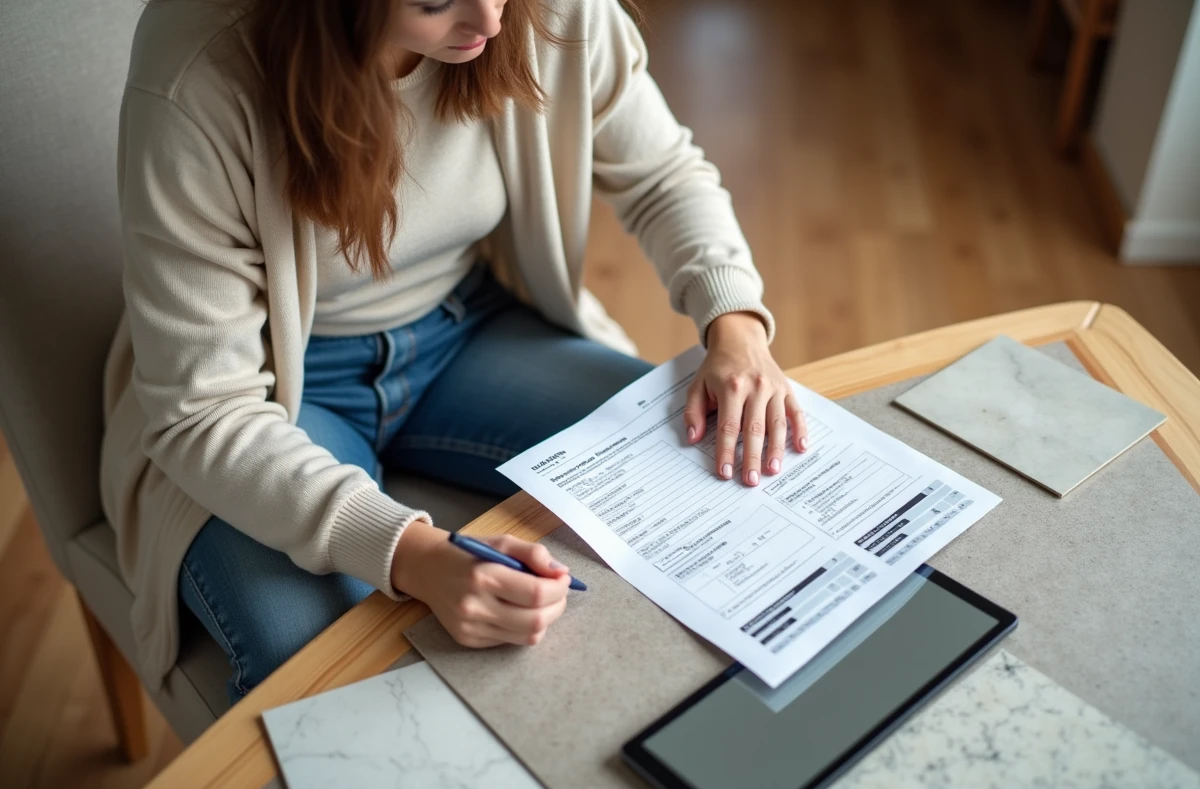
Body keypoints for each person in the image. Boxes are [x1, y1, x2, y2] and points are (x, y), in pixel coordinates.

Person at [100, 0, 808, 703]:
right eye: (436, 2)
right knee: (314, 670)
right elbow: (204, 411)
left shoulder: (545, 12)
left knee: (707, 475)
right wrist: (413, 557)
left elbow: (662, 174)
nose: (491, 23)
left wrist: (735, 323)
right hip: (270, 391)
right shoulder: (200, 72)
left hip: (467, 329)